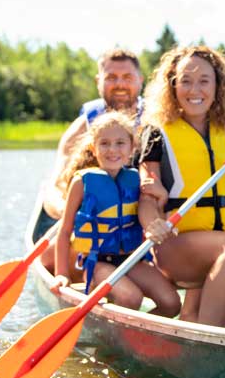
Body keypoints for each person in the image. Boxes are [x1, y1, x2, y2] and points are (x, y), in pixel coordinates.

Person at [138, 45, 225, 329]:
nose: (195, 89)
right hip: (176, 245)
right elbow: (147, 193)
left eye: (204, 80)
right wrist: (152, 223)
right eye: (185, 80)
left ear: (218, 86)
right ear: (173, 85)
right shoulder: (157, 134)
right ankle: (211, 337)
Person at [51, 111, 180, 317]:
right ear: (94, 149)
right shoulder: (81, 182)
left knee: (172, 303)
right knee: (131, 298)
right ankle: (116, 340)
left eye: (120, 143)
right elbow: (65, 231)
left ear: (132, 148)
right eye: (104, 143)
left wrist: (162, 198)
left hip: (132, 259)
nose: (112, 150)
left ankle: (138, 336)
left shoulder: (136, 180)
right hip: (98, 263)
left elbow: (154, 219)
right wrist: (61, 274)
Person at [40, 48, 149, 277]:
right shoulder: (82, 128)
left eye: (127, 77)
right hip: (93, 233)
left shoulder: (156, 123)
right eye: (111, 77)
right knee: (48, 258)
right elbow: (52, 192)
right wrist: (74, 214)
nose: (120, 84)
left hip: (139, 230)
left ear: (140, 80)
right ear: (98, 81)